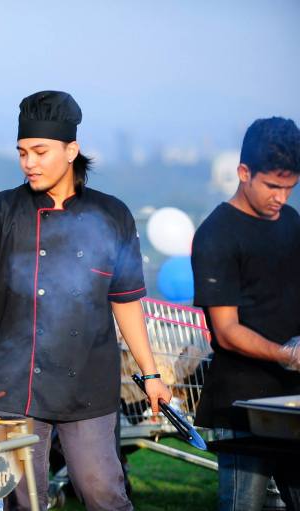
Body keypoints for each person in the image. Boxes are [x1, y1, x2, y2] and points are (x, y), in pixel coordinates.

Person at [0, 90, 171, 511]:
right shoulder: (3, 210)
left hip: (87, 385)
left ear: (71, 150)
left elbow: (126, 300)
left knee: (102, 491)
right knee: (22, 501)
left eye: (39, 151)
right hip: (18, 389)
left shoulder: (112, 215)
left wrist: (151, 374)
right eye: (22, 152)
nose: (29, 162)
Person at [192, 117, 300, 511]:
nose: (281, 198)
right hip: (242, 403)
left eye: (290, 187)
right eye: (273, 186)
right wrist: (288, 356)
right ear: (243, 173)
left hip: (293, 400)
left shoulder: (291, 221)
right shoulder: (216, 234)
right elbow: (225, 331)